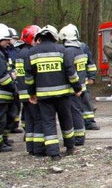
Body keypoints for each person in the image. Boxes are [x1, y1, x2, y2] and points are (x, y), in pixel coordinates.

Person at [27, 25, 82, 161]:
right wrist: (77, 88)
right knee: (66, 120)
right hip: (63, 95)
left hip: (44, 96)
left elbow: (29, 78)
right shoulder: (62, 50)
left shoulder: (32, 53)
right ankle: (70, 147)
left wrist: (32, 93)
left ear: (40, 37)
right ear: (54, 37)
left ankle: (53, 153)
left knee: (48, 122)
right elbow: (71, 72)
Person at [15, 25, 44, 155]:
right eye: (37, 39)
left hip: (22, 92)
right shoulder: (29, 53)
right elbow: (32, 75)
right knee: (37, 119)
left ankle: (31, 147)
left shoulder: (20, 52)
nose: (39, 42)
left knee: (30, 120)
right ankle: (38, 148)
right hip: (30, 93)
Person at [59, 24, 89, 147]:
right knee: (79, 112)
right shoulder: (80, 49)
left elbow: (69, 70)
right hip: (82, 86)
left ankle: (78, 138)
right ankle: (80, 136)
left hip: (73, 88)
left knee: (74, 113)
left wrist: (75, 85)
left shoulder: (69, 51)